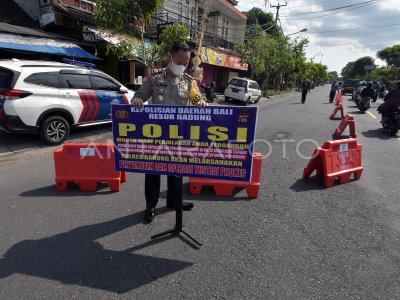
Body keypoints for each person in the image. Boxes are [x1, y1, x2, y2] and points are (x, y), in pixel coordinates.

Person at [131, 41, 207, 223]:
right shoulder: (155, 79)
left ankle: (174, 201)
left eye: (185, 62)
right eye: (179, 61)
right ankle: (151, 206)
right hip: (155, 135)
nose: (182, 65)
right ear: (170, 57)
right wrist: (137, 100)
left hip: (179, 135)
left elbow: (197, 98)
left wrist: (200, 102)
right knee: (153, 172)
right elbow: (139, 95)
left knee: (176, 170)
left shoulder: (189, 82)